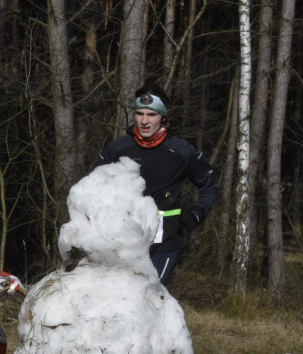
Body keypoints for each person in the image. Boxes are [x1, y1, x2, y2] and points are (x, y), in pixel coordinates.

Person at [94, 81, 219, 285]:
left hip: (165, 243)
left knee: (149, 298)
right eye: (140, 113)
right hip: (124, 242)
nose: (144, 121)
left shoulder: (181, 151)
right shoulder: (118, 149)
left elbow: (210, 187)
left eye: (151, 114)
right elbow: (92, 188)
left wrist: (194, 217)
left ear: (163, 117)